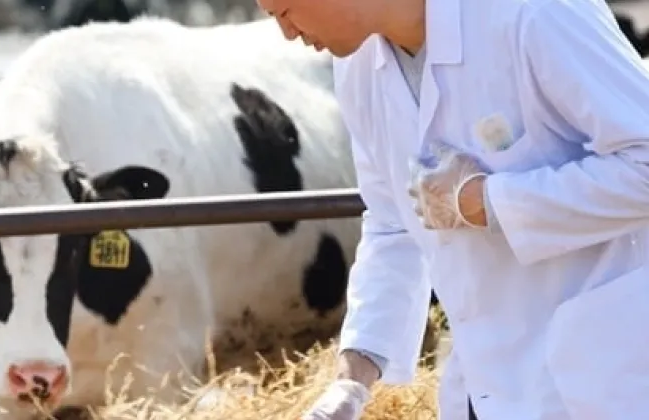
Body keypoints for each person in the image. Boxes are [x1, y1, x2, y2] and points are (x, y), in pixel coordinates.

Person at [255, 0, 649, 419]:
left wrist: (489, 202)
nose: (287, 33)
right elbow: (394, 222)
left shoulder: (535, 12)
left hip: (605, 380)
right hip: (485, 387)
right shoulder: (358, 65)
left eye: (285, 10)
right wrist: (352, 381)